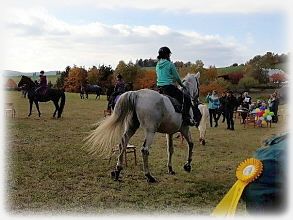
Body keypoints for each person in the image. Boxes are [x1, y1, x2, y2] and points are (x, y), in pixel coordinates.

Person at [156, 46, 195, 126]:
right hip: (168, 88)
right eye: (169, 54)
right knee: (186, 99)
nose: (170, 56)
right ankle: (186, 118)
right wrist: (182, 85)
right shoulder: (170, 64)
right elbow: (176, 77)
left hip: (159, 88)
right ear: (167, 55)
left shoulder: (157, 65)